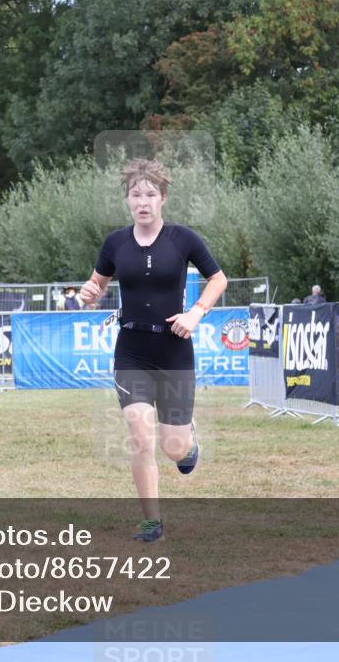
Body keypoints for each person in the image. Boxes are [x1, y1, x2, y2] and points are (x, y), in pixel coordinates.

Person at [79, 158, 227, 543]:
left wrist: (196, 313)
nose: (142, 201)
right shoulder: (115, 242)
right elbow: (95, 284)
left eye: (150, 194)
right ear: (127, 201)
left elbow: (218, 278)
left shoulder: (183, 239)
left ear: (163, 198)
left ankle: (188, 443)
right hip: (132, 351)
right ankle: (152, 523)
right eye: (135, 195)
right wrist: (88, 294)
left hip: (174, 351)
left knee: (173, 448)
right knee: (139, 436)